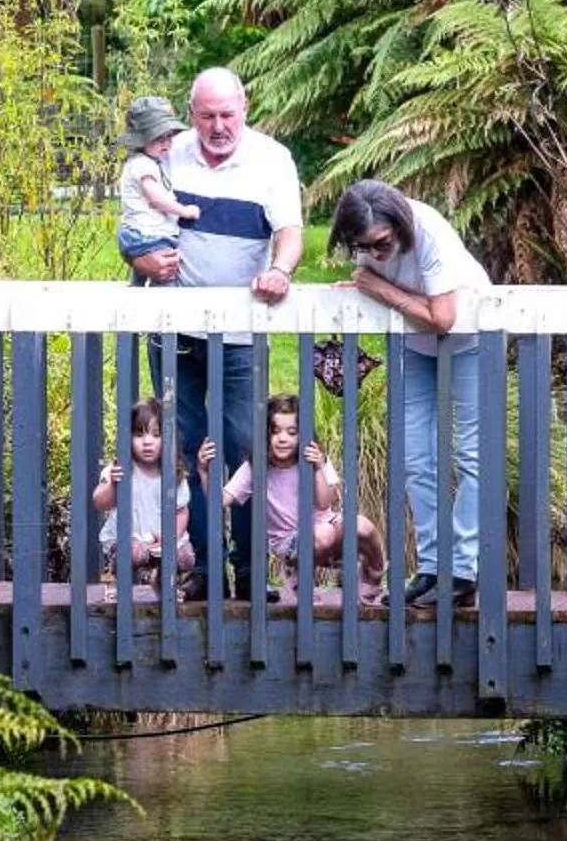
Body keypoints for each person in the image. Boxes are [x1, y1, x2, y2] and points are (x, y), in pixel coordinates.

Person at [130, 67, 300, 595]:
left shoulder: (272, 158)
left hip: (241, 332)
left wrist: (281, 270)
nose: (218, 126)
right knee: (186, 447)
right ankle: (204, 570)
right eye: (207, 116)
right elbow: (133, 219)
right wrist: (141, 258)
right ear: (191, 113)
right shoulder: (168, 153)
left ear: (244, 108)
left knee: (248, 449)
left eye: (227, 114)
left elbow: (291, 233)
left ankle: (248, 573)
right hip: (173, 325)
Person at [330, 178, 492, 613]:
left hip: (470, 340)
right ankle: (432, 566)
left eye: (381, 243)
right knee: (415, 457)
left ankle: (463, 572)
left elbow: (443, 317)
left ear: (399, 224)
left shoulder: (430, 232)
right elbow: (376, 285)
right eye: (362, 247)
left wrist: (381, 290)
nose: (374, 253)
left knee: (471, 456)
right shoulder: (367, 236)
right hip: (412, 344)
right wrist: (367, 292)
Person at [222, 393, 385, 599]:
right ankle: (298, 577)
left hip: (326, 527)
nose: (283, 438)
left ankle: (373, 573)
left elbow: (324, 502)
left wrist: (318, 468)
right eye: (275, 431)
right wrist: (204, 473)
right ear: (265, 434)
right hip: (290, 542)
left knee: (362, 525)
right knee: (323, 534)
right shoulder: (256, 466)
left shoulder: (314, 458)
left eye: (292, 432)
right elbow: (223, 499)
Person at [90, 399, 197, 584]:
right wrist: (112, 485)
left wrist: (171, 536)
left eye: (156, 435)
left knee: (185, 558)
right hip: (130, 538)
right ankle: (118, 582)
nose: (147, 442)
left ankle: (163, 582)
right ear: (128, 438)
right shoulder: (119, 469)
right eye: (139, 434)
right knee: (134, 553)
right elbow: (99, 502)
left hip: (163, 539)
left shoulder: (174, 473)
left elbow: (181, 511)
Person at [111, 95, 198, 283]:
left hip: (138, 233)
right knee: (165, 277)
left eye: (169, 137)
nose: (166, 144)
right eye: (158, 139)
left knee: (140, 281)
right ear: (141, 140)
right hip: (149, 235)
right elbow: (156, 198)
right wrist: (185, 211)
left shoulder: (146, 162)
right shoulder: (143, 165)